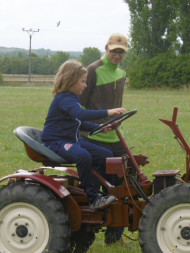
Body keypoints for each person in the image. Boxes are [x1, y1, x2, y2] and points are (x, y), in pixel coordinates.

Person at [41, 60, 125, 209]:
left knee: (107, 155)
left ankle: (107, 195)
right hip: (56, 142)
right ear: (71, 80)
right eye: (83, 82)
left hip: (72, 140)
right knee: (83, 155)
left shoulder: (73, 98)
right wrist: (108, 112)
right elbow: (79, 114)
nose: (86, 85)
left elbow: (77, 121)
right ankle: (93, 199)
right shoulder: (63, 98)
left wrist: (98, 127)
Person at [79, 33, 128, 244]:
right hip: (93, 134)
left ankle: (115, 235)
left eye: (121, 52)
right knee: (101, 181)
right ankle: (86, 228)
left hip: (113, 134)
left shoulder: (121, 73)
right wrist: (94, 126)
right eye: (113, 51)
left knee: (126, 179)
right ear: (106, 48)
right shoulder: (92, 70)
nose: (116, 55)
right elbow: (79, 106)